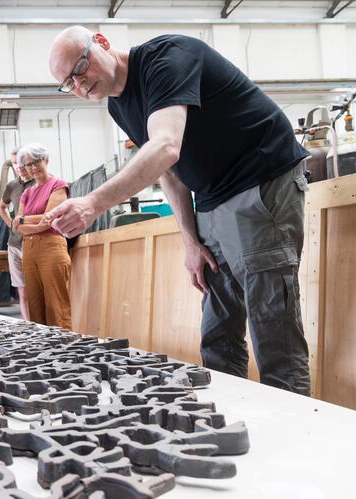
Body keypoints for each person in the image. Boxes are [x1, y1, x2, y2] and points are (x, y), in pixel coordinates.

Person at [46, 27, 310, 394]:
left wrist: (92, 203)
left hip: (261, 184)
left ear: (102, 43)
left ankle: (294, 441)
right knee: (218, 335)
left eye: (80, 68)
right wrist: (190, 241)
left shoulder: (166, 59)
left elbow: (167, 146)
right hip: (212, 201)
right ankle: (229, 425)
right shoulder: (117, 104)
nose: (78, 84)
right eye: (67, 83)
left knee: (273, 333)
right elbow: (169, 172)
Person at [11, 143, 72, 330]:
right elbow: (19, 227)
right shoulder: (27, 193)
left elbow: (50, 216)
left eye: (36, 162)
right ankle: (42, 352)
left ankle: (65, 348)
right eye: (28, 165)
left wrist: (23, 219)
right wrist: (34, 223)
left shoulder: (58, 185)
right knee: (35, 305)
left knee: (56, 305)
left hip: (51, 246)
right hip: (28, 249)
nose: (32, 168)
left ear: (46, 160)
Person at [0, 147, 35, 321]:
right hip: (15, 244)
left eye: (21, 162)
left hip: (34, 241)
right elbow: (1, 207)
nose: (18, 166)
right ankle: (29, 325)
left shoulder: (37, 183)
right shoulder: (12, 186)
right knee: (22, 289)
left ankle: (43, 324)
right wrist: (11, 225)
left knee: (37, 286)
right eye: (14, 162)